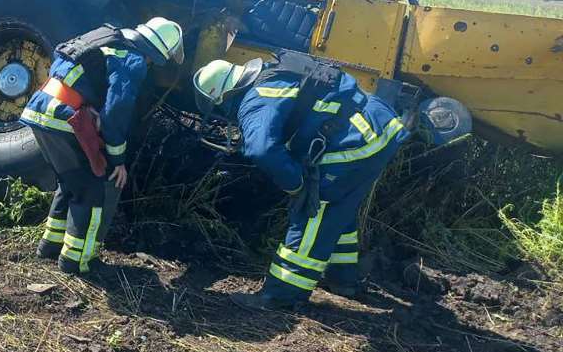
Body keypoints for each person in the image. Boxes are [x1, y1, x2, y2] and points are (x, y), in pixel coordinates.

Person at [192, 52, 471, 309]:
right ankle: (343, 278)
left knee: (314, 208)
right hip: (376, 128)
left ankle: (281, 296)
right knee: (339, 208)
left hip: (352, 142)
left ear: (224, 94)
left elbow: (262, 149)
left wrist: (296, 184)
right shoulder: (273, 72)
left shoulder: (254, 99)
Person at [20, 17, 185, 275]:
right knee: (93, 190)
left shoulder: (102, 38)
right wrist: (117, 160)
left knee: (71, 181)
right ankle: (78, 262)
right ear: (155, 52)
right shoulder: (134, 59)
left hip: (39, 108)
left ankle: (50, 246)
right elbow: (117, 111)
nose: (150, 64)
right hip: (65, 118)